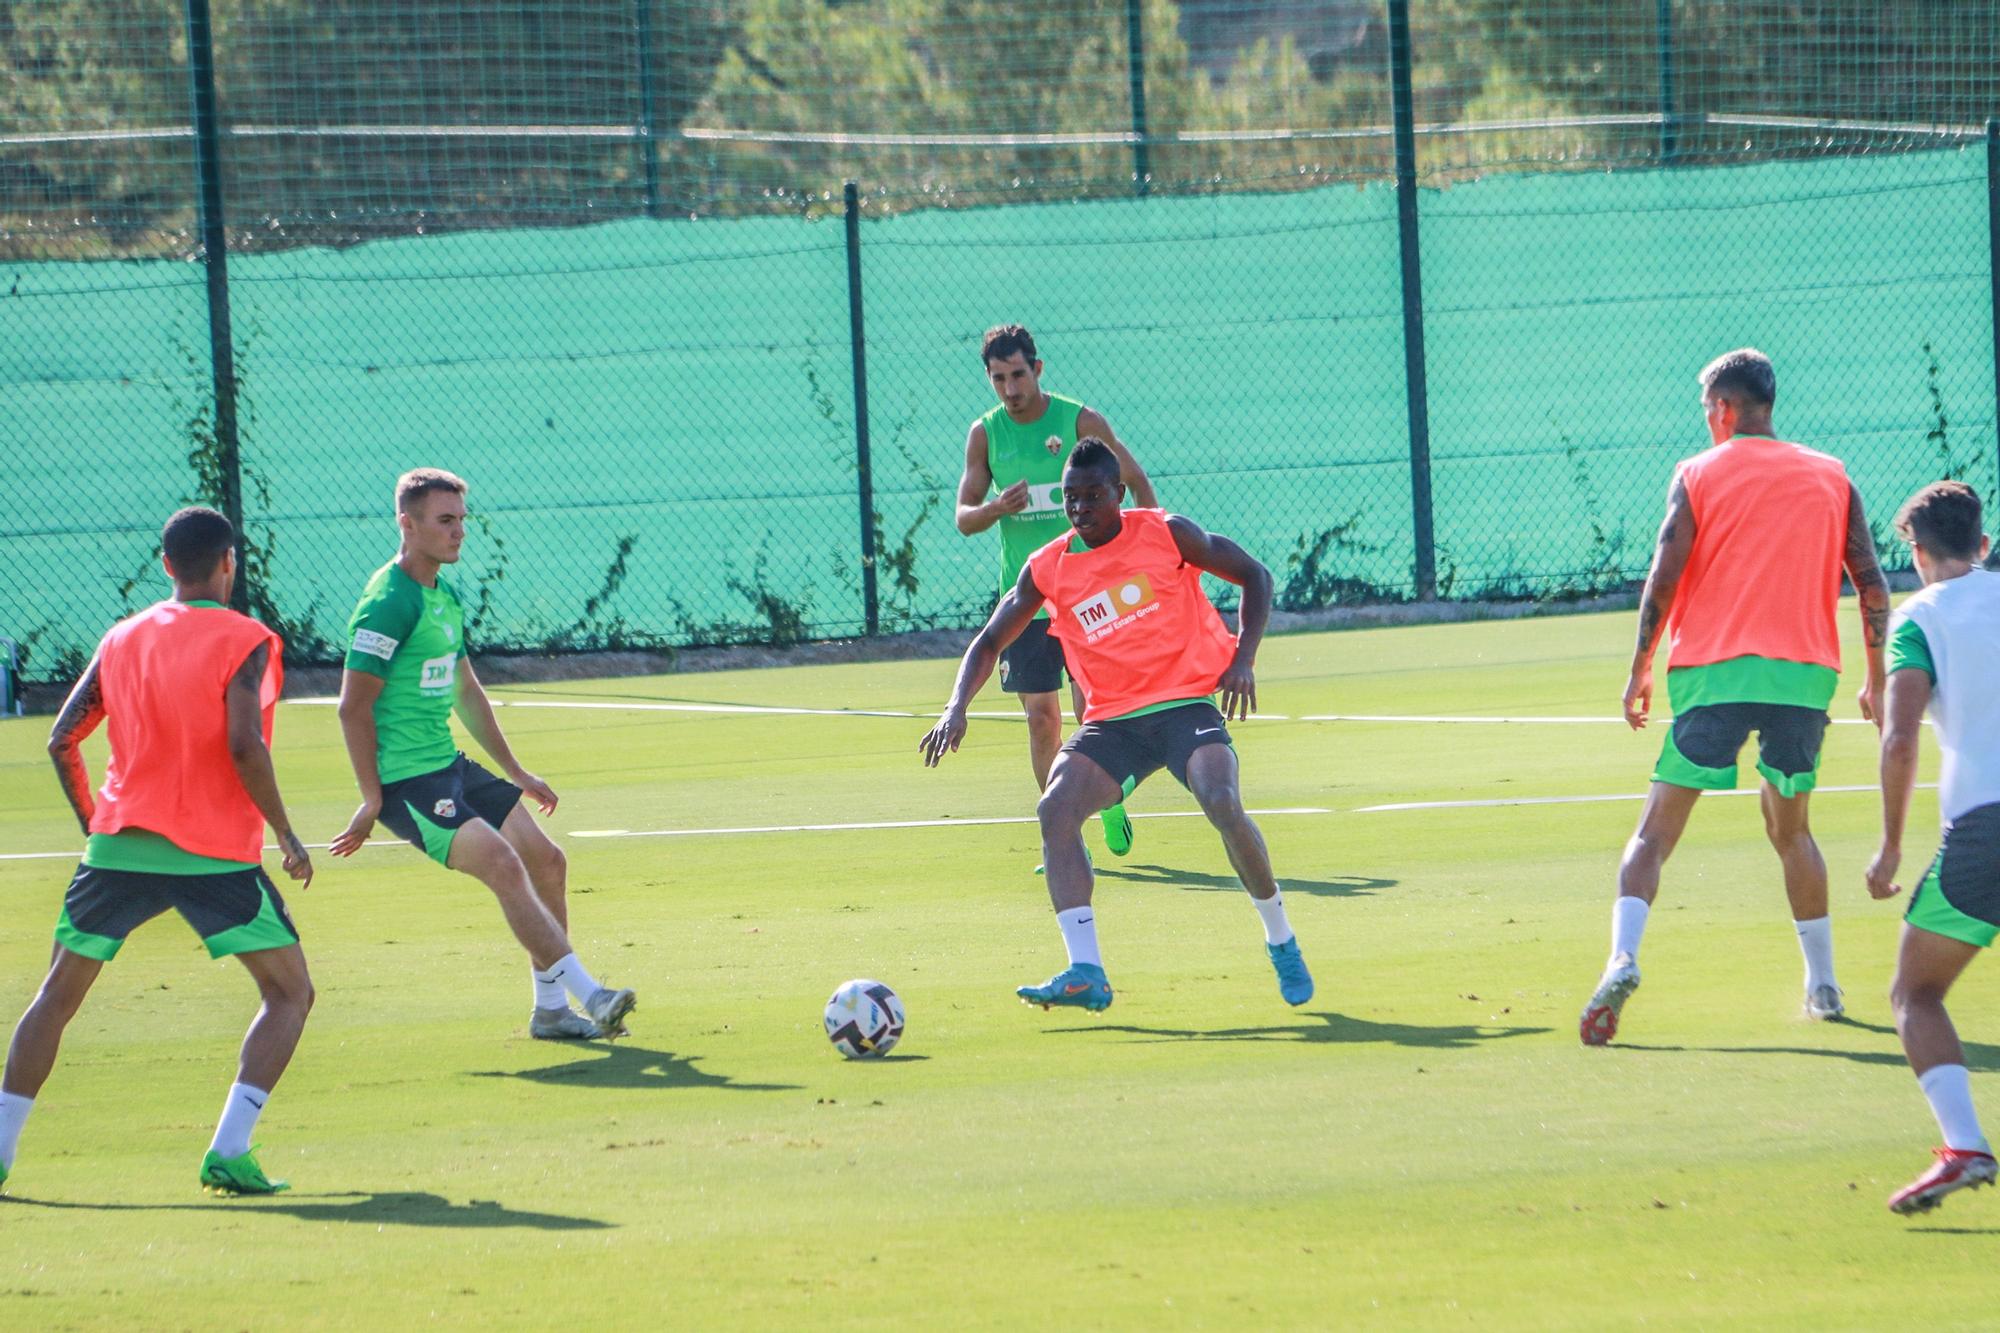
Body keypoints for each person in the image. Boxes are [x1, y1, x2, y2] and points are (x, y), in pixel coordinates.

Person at [922, 438, 1311, 1011]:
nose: (1079, 509)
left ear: (1119, 494)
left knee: (1222, 800)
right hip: (1113, 724)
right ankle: (1086, 970)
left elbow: (1254, 575)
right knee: (1055, 809)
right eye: (1071, 499)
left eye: (1092, 496)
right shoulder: (1049, 567)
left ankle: (1281, 938)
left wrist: (1244, 658)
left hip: (1183, 707)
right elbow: (988, 641)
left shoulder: (1166, 533)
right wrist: (955, 706)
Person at [1580, 348, 1892, 1045]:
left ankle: (1622, 956)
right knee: (1793, 831)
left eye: (1706, 410)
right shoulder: (1831, 474)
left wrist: (1640, 666)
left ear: (1724, 408)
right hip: (1803, 679)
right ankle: (1824, 983)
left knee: (1654, 834)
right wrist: (1874, 675)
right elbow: (1872, 584)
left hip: (1714, 676)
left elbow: (1664, 573)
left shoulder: (1696, 472)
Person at [1, 507, 315, 1195]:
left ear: (166, 564)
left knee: (53, 999)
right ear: (229, 563)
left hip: (116, 850)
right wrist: (287, 834)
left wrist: (98, 824)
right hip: (214, 856)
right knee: (290, 992)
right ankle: (229, 1147)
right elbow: (243, 743)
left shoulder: (121, 637)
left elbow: (62, 738)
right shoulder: (247, 638)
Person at [330, 469, 635, 1040]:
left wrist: (515, 772)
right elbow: (352, 708)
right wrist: (371, 798)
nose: (458, 532)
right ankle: (591, 995)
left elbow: (466, 691)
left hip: (447, 768)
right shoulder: (387, 603)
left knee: (548, 862)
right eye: (445, 521)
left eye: (461, 520)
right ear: (407, 524)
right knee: (503, 864)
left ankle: (550, 1012)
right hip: (407, 784)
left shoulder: (443, 595)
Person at [955, 324, 1158, 866]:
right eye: (998, 378)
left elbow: (1137, 484)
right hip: (1026, 601)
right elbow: (963, 517)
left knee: (1092, 710)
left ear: (1038, 369)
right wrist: (997, 508)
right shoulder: (986, 433)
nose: (1010, 388)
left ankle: (1107, 797)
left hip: (1090, 598)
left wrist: (1134, 556)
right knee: (1041, 716)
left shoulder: (1078, 421)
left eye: (1018, 374)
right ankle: (1064, 834)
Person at [1866, 481, 2000, 1214]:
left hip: (1986, 830)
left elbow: (1900, 735)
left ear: (1916, 553)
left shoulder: (1918, 616)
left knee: (1915, 993)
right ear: (1982, 544)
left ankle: (1965, 1144)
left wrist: (1889, 847)